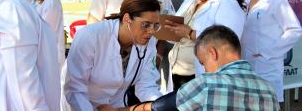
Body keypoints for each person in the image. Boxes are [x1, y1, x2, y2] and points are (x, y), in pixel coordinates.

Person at [97, 25, 280, 111]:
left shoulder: (207, 83)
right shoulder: (268, 89)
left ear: (213, 53)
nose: (204, 69)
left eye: (202, 62)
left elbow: (157, 108)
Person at [64, 0, 163, 111]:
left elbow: (147, 85)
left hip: (116, 106)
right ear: (127, 19)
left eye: (156, 25)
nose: (151, 31)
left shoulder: (149, 42)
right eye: (146, 25)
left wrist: (159, 107)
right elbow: (75, 88)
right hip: (82, 105)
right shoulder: (90, 36)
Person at [164, 0, 245, 90]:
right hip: (178, 70)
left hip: (203, 75)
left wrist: (190, 33)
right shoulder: (191, 0)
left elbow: (228, 45)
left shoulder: (227, 5)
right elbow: (178, 30)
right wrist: (169, 28)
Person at [241, 0, 302, 102]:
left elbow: (295, 30)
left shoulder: (277, 1)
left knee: (268, 104)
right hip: (246, 65)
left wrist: (267, 52)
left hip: (267, 67)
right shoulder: (247, 1)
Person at [36, 0, 65, 69]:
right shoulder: (40, 0)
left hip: (50, 57)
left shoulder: (51, 0)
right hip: (44, 56)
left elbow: (46, 32)